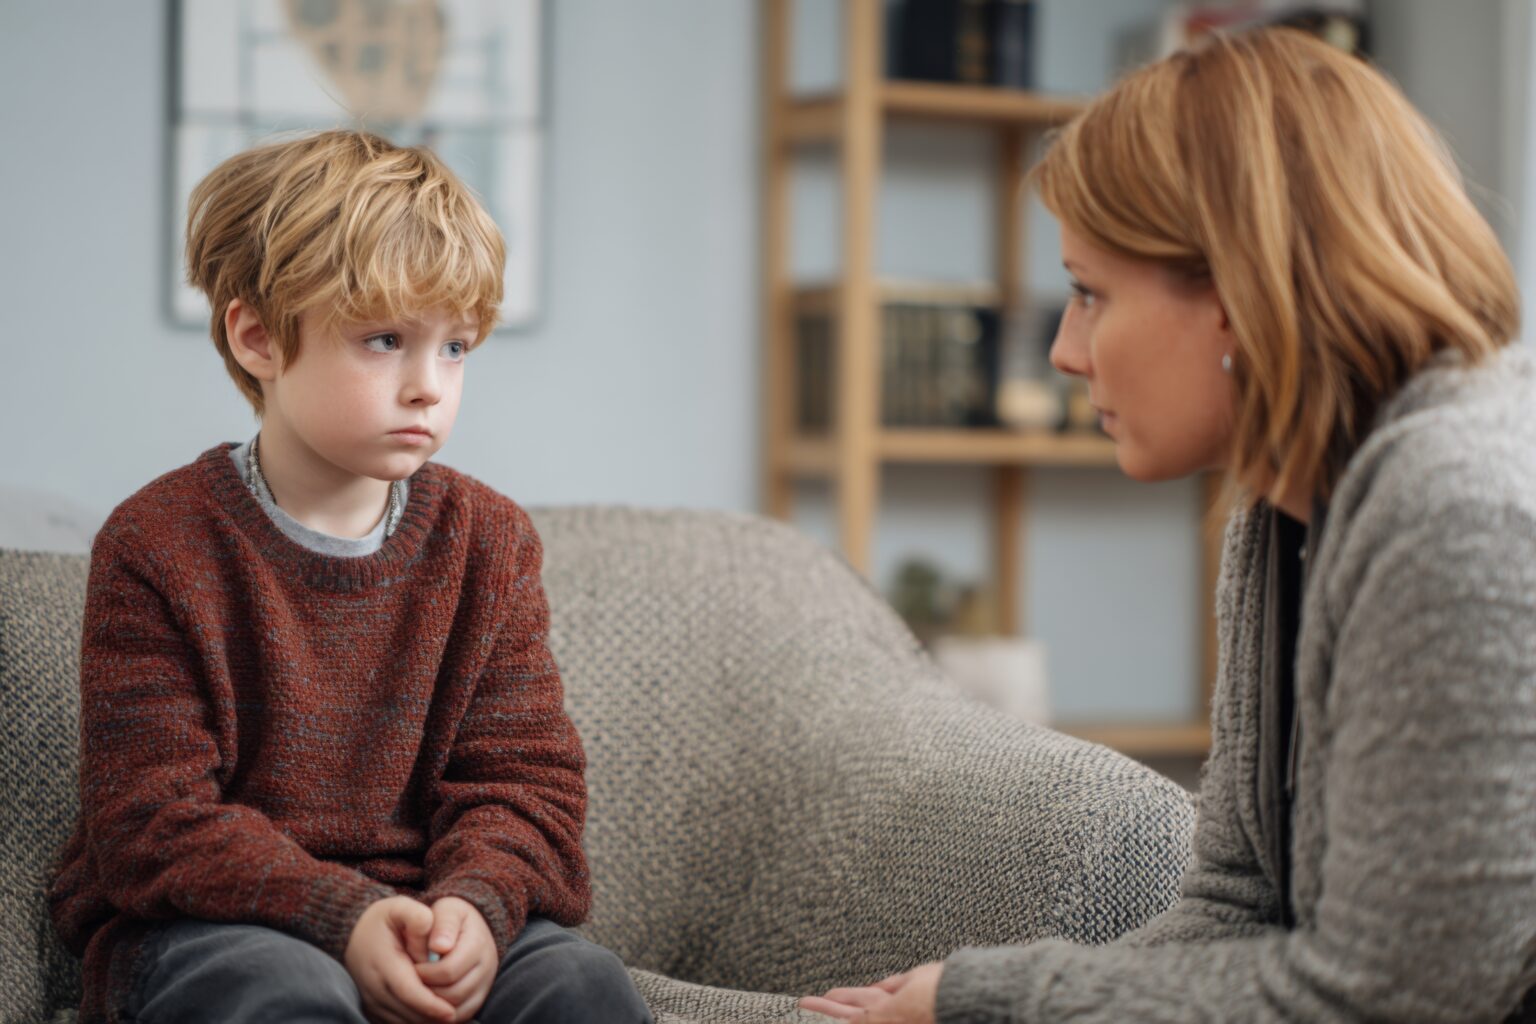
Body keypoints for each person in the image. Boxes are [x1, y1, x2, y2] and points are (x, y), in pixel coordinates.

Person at [801, 26, 1536, 1023]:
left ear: (1237, 291)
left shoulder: (1458, 509)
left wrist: (982, 1002)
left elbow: (1399, 994)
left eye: (1090, 293)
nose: (1065, 350)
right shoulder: (1283, 508)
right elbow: (1238, 906)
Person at [47, 129, 653, 1024]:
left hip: (429, 912)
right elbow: (149, 820)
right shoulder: (157, 542)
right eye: (384, 340)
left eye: (455, 348)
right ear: (256, 337)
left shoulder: (489, 541)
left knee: (581, 985)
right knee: (281, 989)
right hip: (211, 927)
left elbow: (525, 783)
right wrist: (343, 917)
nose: (429, 387)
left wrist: (476, 909)